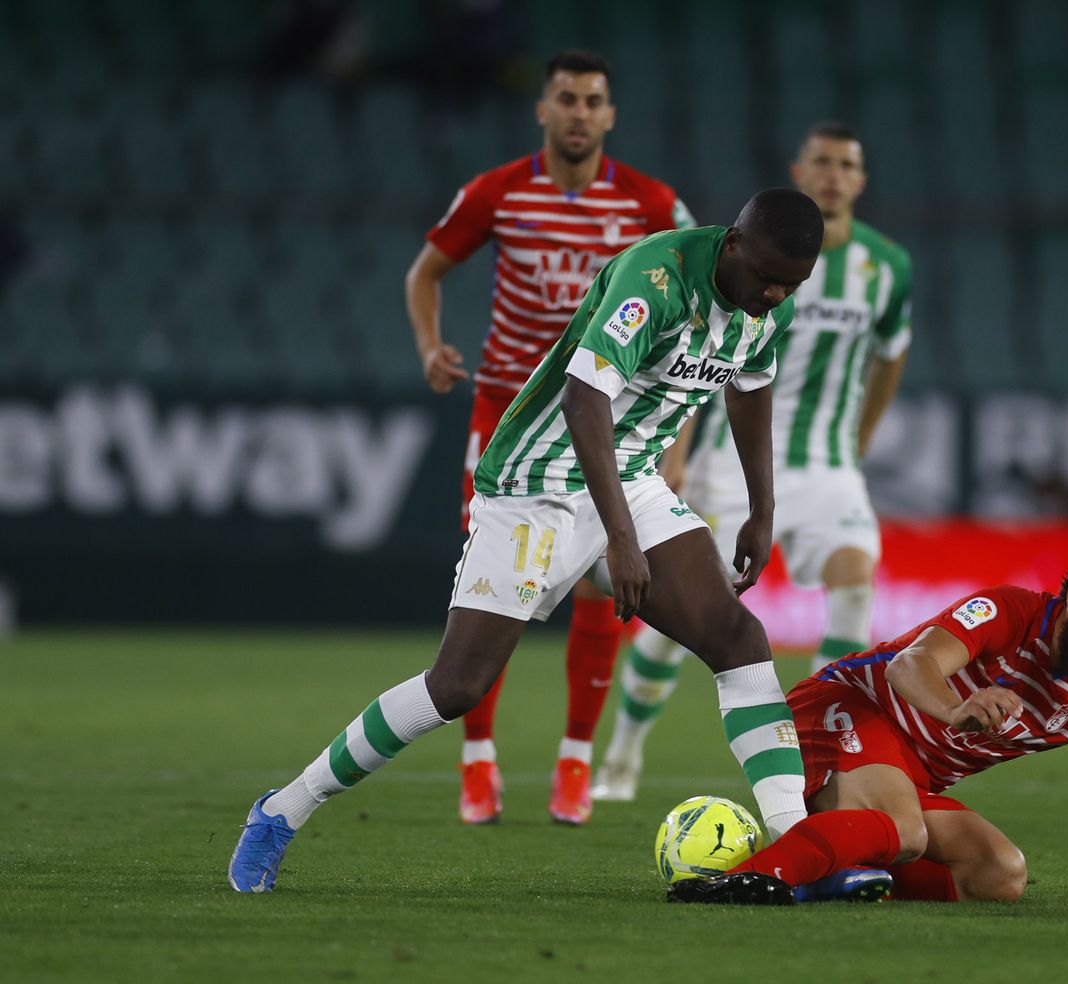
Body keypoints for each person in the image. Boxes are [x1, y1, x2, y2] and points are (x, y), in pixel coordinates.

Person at [228, 189, 823, 894]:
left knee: (739, 639)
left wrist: (762, 508)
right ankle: (282, 810)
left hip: (626, 476)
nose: (775, 294)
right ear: (732, 244)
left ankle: (798, 849)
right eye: (765, 278)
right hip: (536, 482)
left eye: (792, 283)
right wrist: (621, 542)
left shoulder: (768, 304)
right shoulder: (655, 279)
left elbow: (749, 388)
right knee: (457, 687)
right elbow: (583, 400)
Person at [668, 518, 1068, 908]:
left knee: (1000, 874)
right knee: (904, 829)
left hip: (906, 775)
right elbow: (909, 667)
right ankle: (751, 880)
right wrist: (957, 708)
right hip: (847, 708)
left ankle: (832, 875)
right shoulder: (1008, 613)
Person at [404, 49, 694, 826]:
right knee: (490, 588)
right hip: (504, 416)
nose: (578, 112)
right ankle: (476, 761)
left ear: (609, 115)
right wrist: (431, 347)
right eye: (565, 98)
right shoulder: (498, 191)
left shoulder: (649, 203)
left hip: (607, 419)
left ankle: (574, 760)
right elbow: (425, 272)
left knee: (606, 591)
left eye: (592, 100)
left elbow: (704, 314)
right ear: (543, 109)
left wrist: (677, 448)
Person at [593, 122, 914, 802]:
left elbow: (891, 357)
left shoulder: (888, 268)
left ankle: (823, 763)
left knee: (857, 583)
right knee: (684, 610)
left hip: (827, 465)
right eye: (820, 161)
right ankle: (623, 750)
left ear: (861, 179)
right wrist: (674, 451)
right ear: (800, 169)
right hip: (729, 465)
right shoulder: (763, 251)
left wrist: (858, 442)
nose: (832, 173)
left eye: (846, 164)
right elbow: (701, 356)